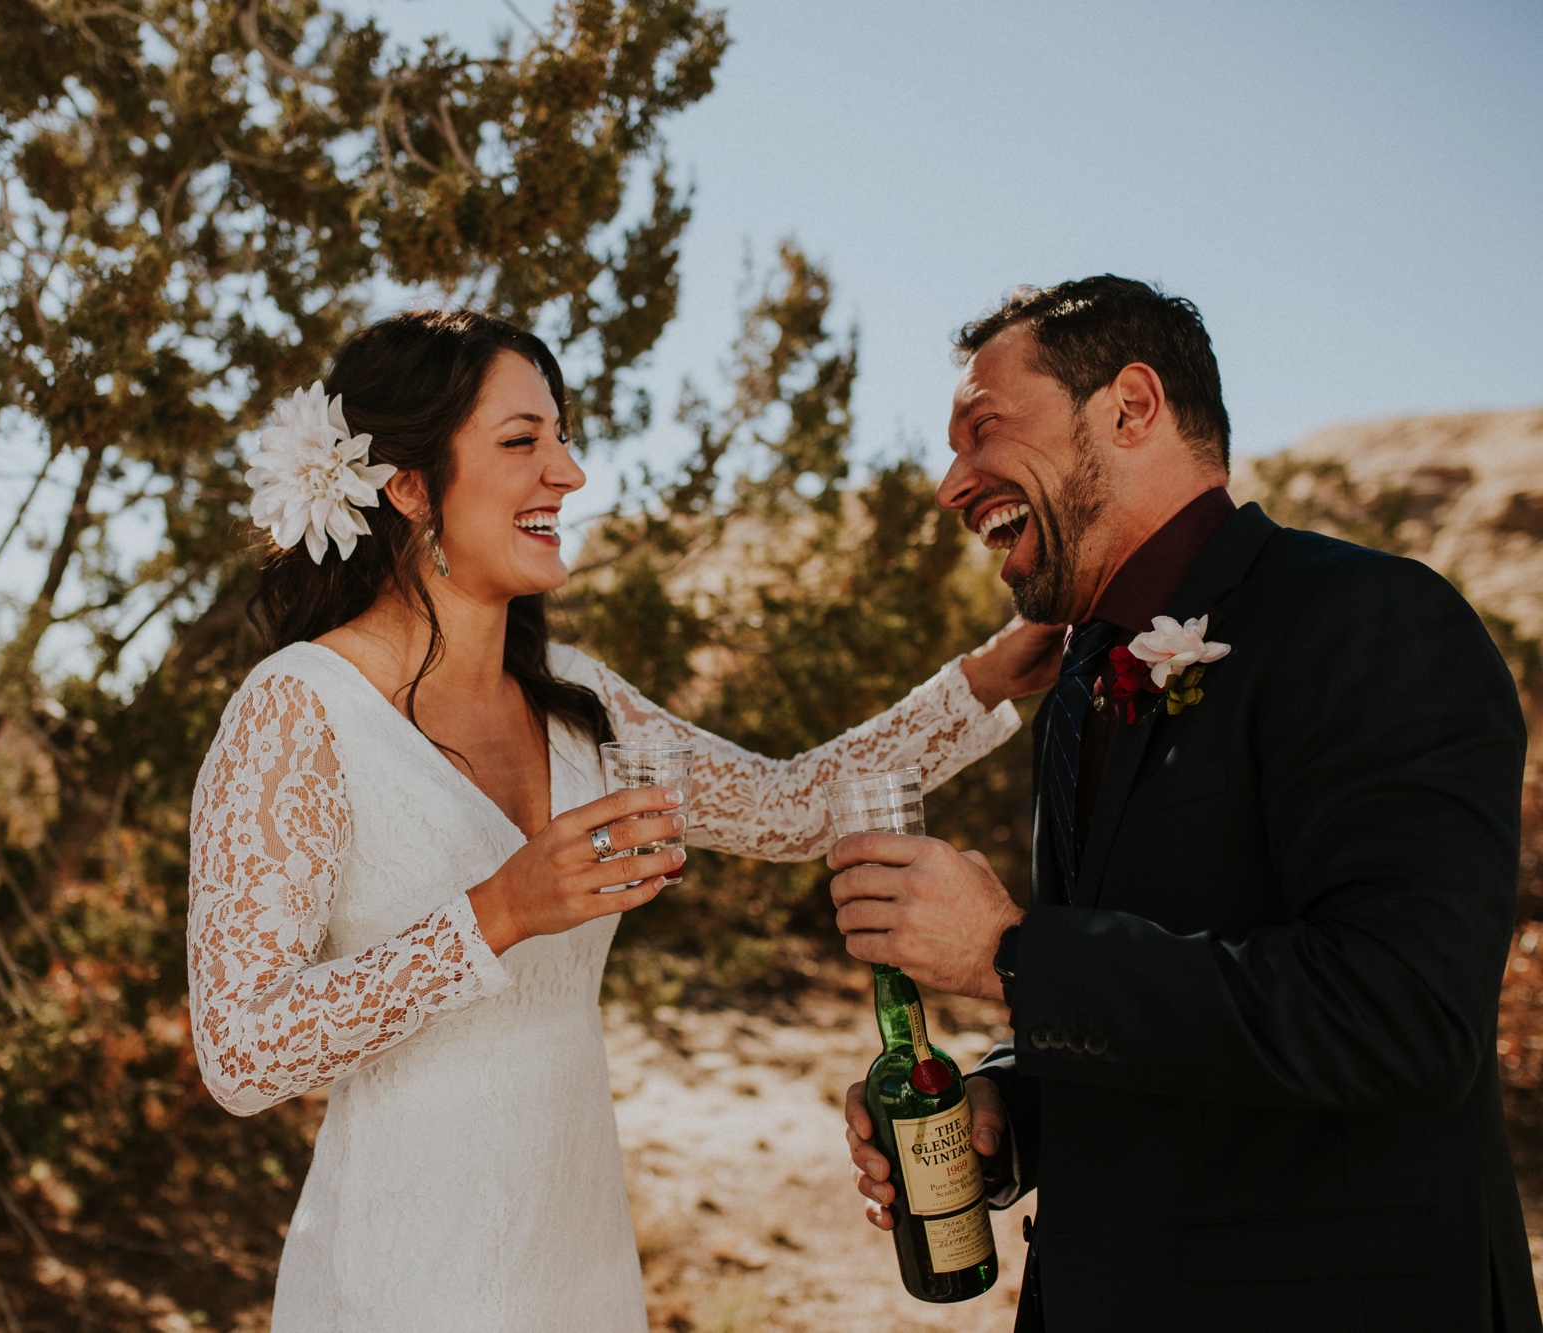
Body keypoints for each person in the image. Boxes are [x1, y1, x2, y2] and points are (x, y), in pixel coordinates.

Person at [186, 308, 1059, 1331]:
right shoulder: (298, 708)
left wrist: (984, 680)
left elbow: (787, 805)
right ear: (408, 484)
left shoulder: (574, 696)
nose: (568, 471)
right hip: (401, 1279)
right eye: (522, 441)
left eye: (560, 434)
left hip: (578, 1264)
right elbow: (241, 1051)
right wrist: (497, 912)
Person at [834, 276, 1540, 1332]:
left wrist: (1010, 957)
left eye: (982, 431)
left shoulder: (1370, 622)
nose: (951, 483)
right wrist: (1006, 1111)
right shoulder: (1078, 681)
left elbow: (1400, 1015)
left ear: (1128, 406)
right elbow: (1164, 993)